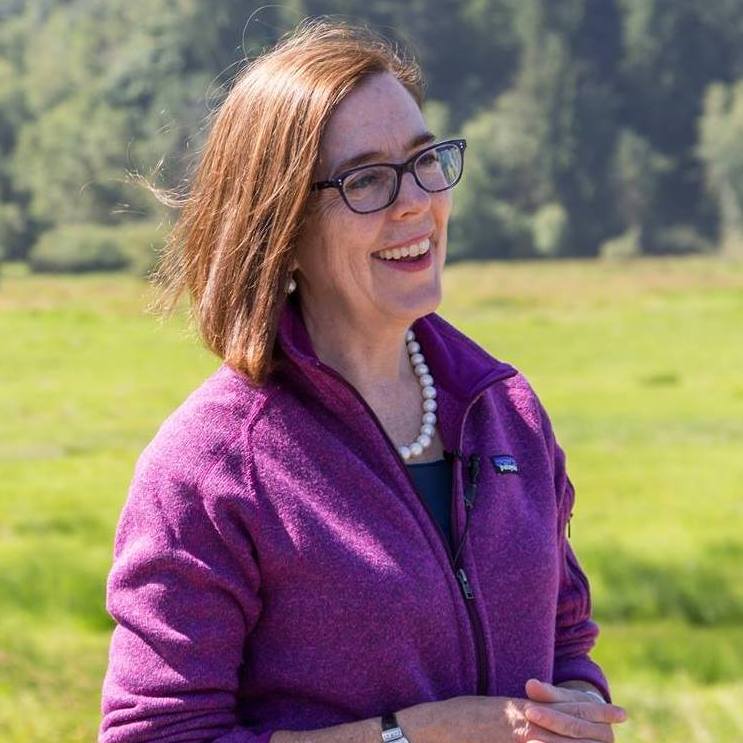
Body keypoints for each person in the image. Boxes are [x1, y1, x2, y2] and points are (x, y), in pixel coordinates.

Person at [99, 19, 628, 743]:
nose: (415, 202)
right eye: (367, 179)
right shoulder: (210, 468)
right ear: (281, 225)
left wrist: (572, 709)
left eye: (423, 161)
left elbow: (563, 633)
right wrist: (413, 734)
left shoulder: (505, 410)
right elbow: (156, 735)